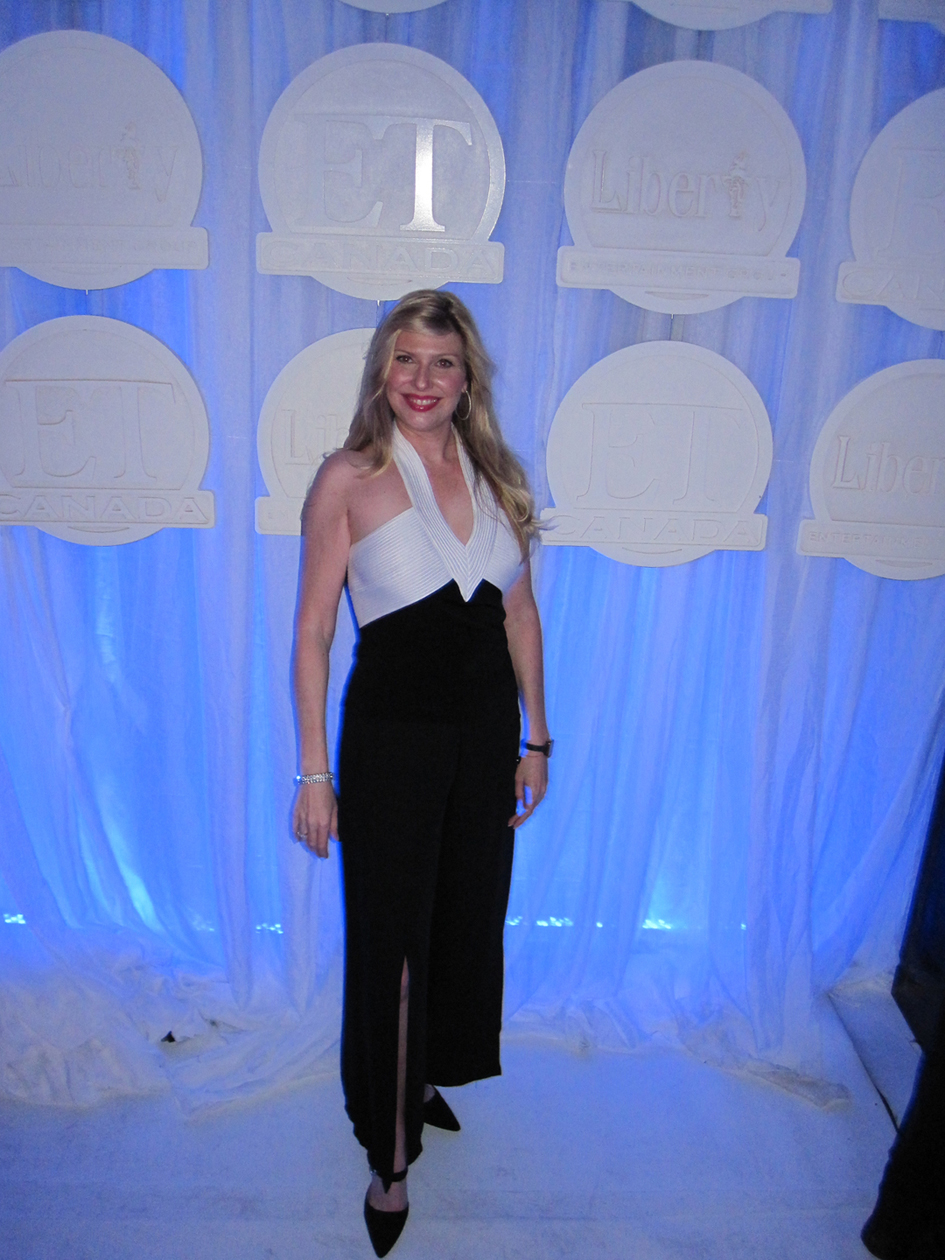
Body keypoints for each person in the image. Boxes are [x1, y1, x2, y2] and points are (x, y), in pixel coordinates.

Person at [291, 290, 551, 1257]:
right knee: (393, 940)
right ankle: (389, 1150)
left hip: (485, 740)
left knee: (460, 919)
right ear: (382, 369)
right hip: (392, 741)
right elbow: (314, 632)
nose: (422, 379)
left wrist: (537, 741)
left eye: (442, 362)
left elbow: (518, 614)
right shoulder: (349, 476)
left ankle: (425, 1073)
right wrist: (313, 774)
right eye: (405, 358)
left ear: (466, 376)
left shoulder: (498, 479)